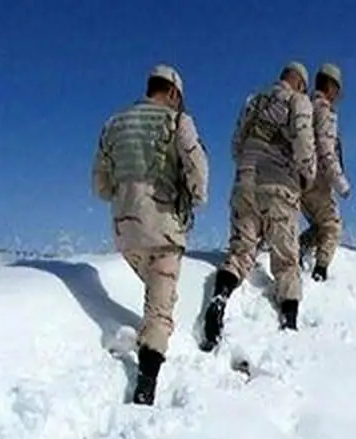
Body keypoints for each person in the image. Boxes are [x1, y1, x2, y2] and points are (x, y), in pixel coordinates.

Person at [92, 64, 209, 405]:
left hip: (125, 231)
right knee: (159, 311)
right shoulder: (177, 121)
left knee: (158, 295)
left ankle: (144, 335)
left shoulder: (114, 123)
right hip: (163, 230)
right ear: (173, 93)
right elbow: (197, 166)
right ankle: (147, 381)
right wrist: (196, 195)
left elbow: (100, 184)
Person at [200, 61, 317, 352]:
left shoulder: (254, 101)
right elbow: (304, 144)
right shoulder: (298, 101)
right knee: (286, 260)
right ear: (301, 83)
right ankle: (289, 323)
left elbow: (235, 145)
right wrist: (308, 175)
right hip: (278, 187)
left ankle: (221, 296)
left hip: (244, 183)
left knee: (241, 251)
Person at [298, 62, 351, 282]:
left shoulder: (302, 106)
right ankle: (320, 272)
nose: (338, 95)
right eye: (337, 89)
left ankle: (299, 247)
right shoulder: (324, 111)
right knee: (332, 226)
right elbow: (326, 151)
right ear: (330, 86)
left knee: (318, 225)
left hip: (297, 179)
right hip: (318, 180)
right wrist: (341, 184)